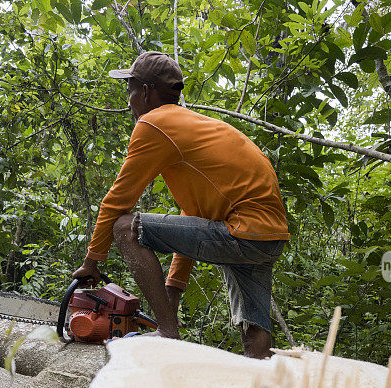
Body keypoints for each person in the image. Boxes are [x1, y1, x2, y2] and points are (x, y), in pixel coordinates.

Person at [72, 51, 289, 358]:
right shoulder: (191, 125)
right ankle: (257, 387)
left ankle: (166, 333)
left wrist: (91, 262)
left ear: (146, 91)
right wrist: (172, 295)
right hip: (267, 236)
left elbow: (116, 203)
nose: (129, 99)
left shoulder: (155, 124)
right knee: (255, 326)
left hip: (242, 230)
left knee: (125, 226)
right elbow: (194, 215)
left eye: (130, 89)